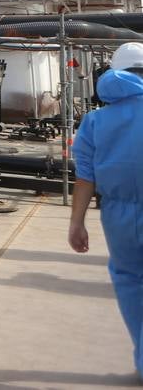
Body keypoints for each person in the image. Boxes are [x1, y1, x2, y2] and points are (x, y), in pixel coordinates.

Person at [69, 42, 143, 381]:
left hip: (118, 216)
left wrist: (77, 224)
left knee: (130, 283)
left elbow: (85, 177)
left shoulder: (94, 120)